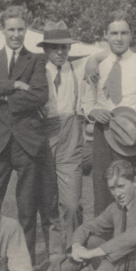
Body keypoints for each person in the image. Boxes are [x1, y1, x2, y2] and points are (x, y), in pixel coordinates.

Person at [0, 6, 49, 264]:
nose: (16, 34)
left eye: (20, 29)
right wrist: (13, 86)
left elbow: (40, 94)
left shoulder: (36, 59)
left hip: (27, 144)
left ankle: (24, 263)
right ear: (2, 31)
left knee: (27, 210)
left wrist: (2, 98)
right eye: (11, 30)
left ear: (25, 29)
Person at [83, 10, 136, 217]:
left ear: (131, 35)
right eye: (114, 33)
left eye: (124, 33)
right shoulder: (97, 66)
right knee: (104, 192)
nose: (119, 38)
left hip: (134, 137)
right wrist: (93, 112)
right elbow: (87, 102)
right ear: (106, 35)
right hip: (103, 135)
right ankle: (105, 243)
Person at [35, 21, 87, 257]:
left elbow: (104, 55)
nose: (60, 52)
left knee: (72, 203)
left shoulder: (77, 70)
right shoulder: (37, 72)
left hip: (70, 140)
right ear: (45, 49)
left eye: (64, 47)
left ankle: (75, 247)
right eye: (55, 48)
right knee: (48, 203)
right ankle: (55, 256)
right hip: (44, 140)